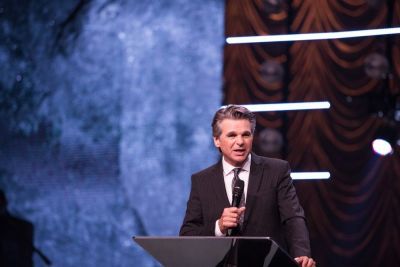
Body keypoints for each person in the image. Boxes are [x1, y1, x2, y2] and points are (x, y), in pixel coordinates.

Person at [180, 105, 316, 267]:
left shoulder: (277, 171)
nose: (240, 142)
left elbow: (293, 218)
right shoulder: (202, 181)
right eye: (232, 135)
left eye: (246, 134)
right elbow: (188, 233)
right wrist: (219, 226)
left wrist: (301, 255)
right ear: (217, 140)